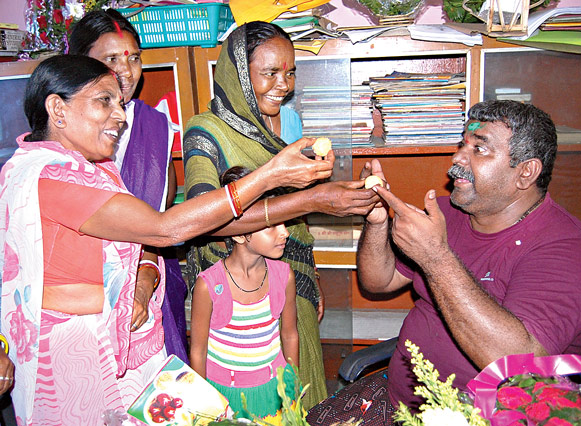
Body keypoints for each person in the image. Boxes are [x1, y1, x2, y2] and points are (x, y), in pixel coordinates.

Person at [0, 54, 333, 425]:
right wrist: (269, 176)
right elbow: (164, 229)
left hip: (129, 352)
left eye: (120, 103)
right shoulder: (50, 179)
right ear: (57, 109)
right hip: (76, 362)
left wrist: (142, 285)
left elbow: (142, 246)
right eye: (104, 101)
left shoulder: (96, 172)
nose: (121, 116)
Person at [355, 100, 581, 411]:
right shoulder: (446, 213)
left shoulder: (568, 251)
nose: (456, 159)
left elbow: (518, 366)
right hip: (395, 400)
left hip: (483, 417)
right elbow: (379, 281)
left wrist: (436, 258)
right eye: (462, 145)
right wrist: (376, 221)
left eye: (479, 149)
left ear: (526, 172)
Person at [183, 21, 379, 408]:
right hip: (234, 285)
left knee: (297, 379)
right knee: (244, 387)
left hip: (288, 269)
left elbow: (296, 220)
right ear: (238, 73)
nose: (283, 84)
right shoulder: (204, 132)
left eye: (289, 72)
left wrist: (313, 273)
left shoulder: (288, 122)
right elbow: (205, 217)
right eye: (269, 73)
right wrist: (312, 199)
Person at [68, 9, 189, 362]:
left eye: (134, 58)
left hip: (146, 283)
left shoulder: (155, 126)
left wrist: (146, 276)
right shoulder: (65, 132)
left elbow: (158, 219)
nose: (125, 71)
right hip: (83, 291)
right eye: (109, 59)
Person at [190, 166, 299, 421]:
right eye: (271, 225)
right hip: (224, 393)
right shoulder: (209, 286)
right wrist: (203, 405)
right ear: (239, 234)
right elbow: (198, 350)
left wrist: (291, 386)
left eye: (284, 223)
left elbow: (289, 333)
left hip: (275, 388)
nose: (285, 232)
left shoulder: (284, 276)